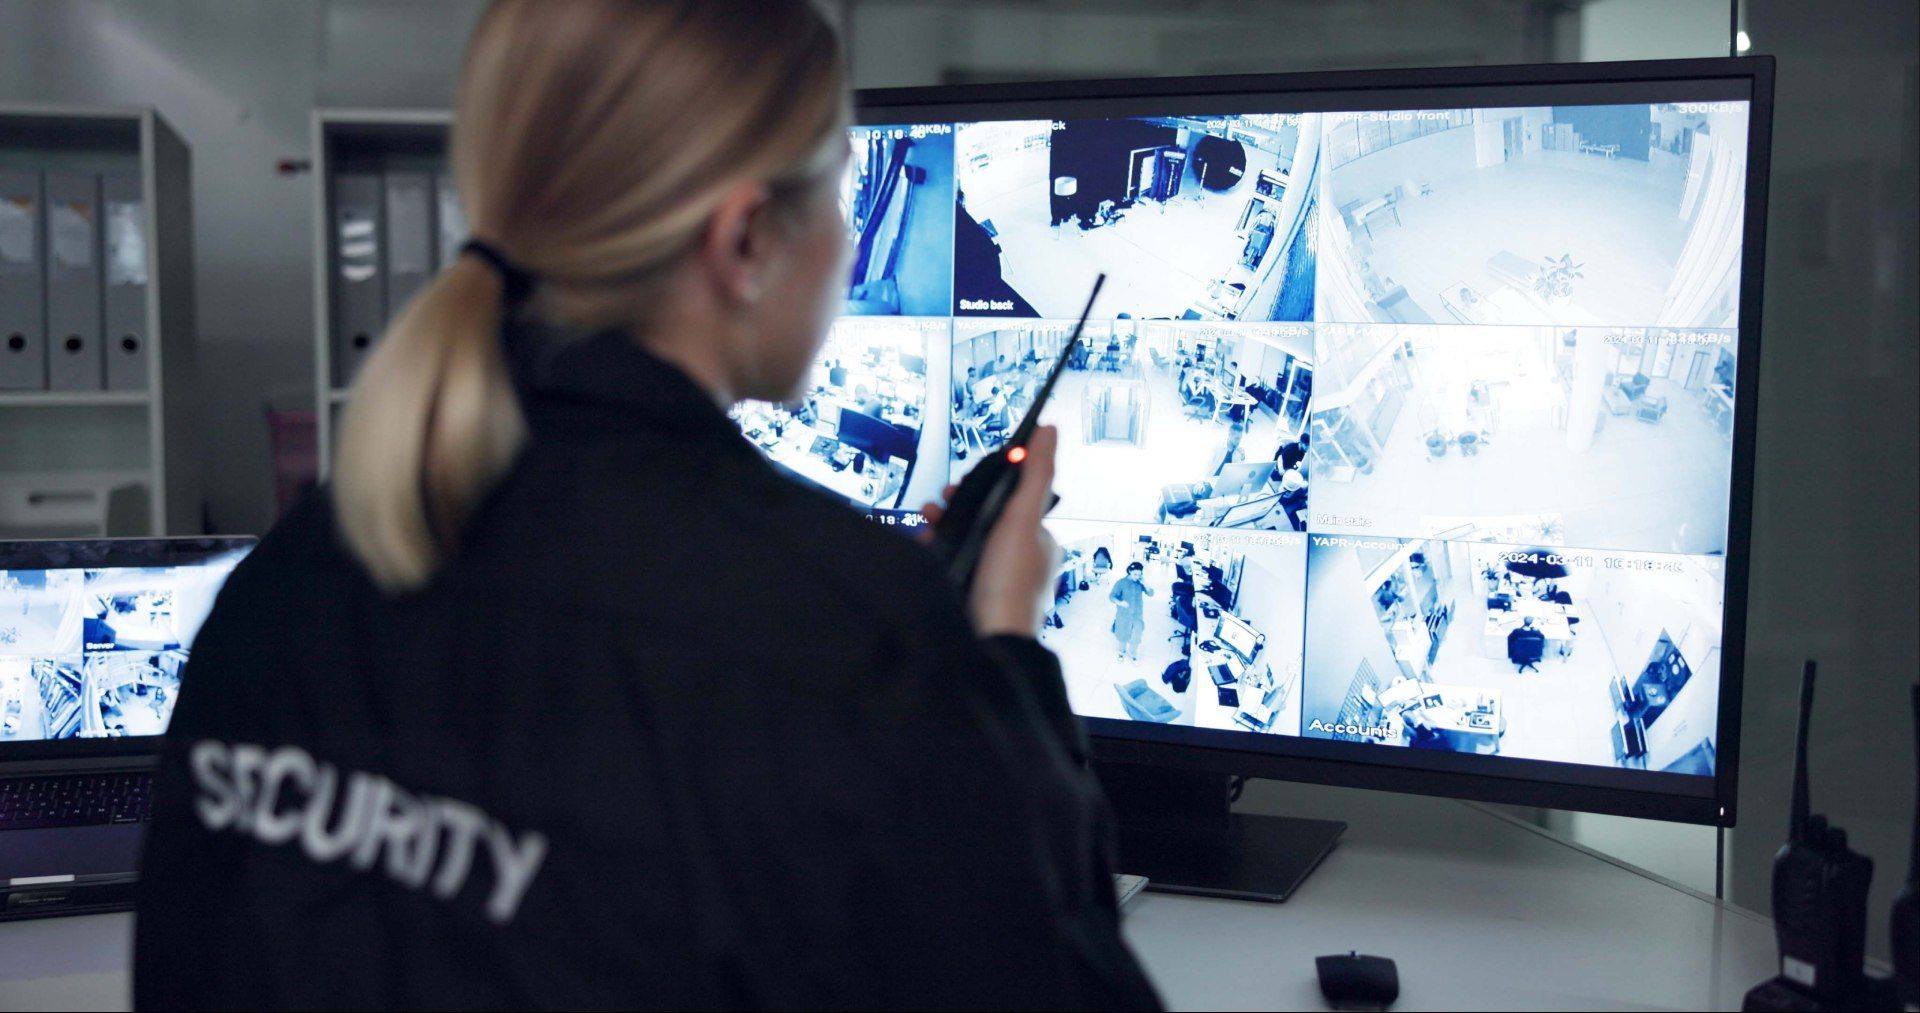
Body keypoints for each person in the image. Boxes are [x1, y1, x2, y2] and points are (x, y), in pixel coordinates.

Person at [133, 3, 1158, 1010]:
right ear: (747, 238)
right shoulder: (853, 637)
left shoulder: (293, 573)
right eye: (838, 192)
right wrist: (1001, 659)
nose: (845, 240)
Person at [1109, 561, 1154, 662]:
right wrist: (1120, 603)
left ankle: (1133, 653)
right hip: (1124, 614)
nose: (1137, 577)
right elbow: (1112, 596)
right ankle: (1121, 652)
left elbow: (1151, 593)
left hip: (1137, 614)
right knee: (1123, 634)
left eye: (1139, 574)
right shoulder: (1121, 583)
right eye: (1135, 574)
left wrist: (1145, 583)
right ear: (1129, 571)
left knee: (1136, 635)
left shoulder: (1140, 583)